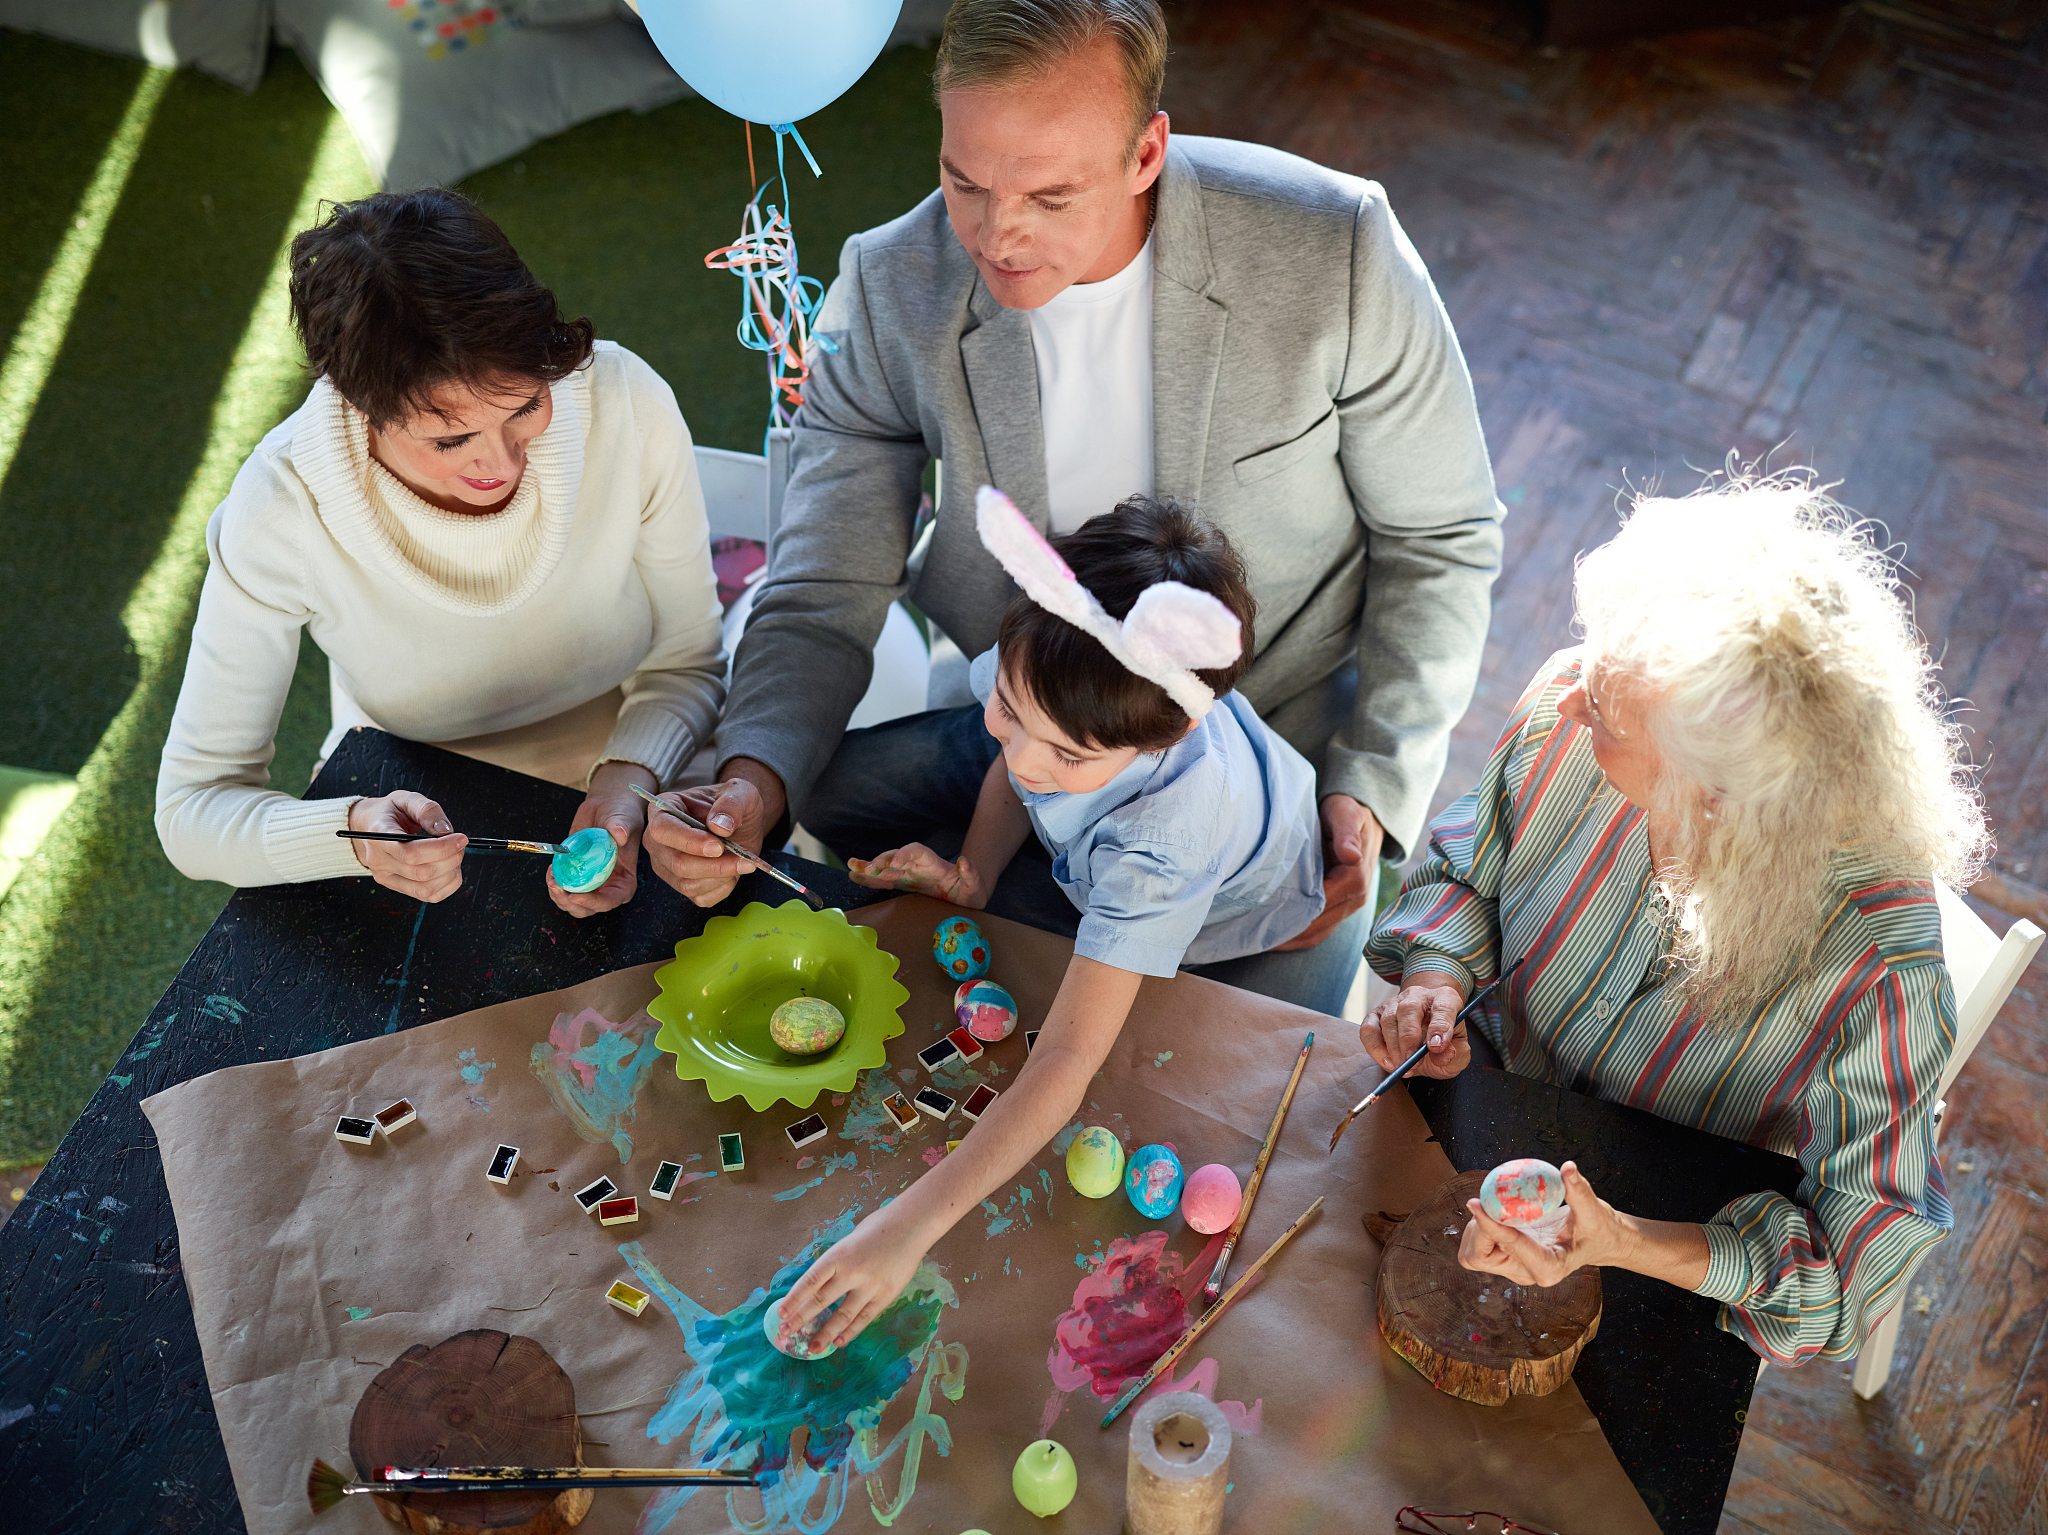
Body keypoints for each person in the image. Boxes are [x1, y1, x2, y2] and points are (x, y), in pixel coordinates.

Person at [648, 0, 1504, 1018]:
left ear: (1147, 153)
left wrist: (1368, 787)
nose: (996, 233)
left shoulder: (1336, 246)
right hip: (1026, 730)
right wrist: (749, 782)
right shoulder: (889, 283)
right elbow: (824, 581)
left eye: (1050, 195)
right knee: (826, 797)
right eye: (964, 181)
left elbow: (1440, 537)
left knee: (1239, 1050)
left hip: (1270, 763)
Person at [1359, 479, 1990, 1365]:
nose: (1569, 699)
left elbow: (1845, 1281)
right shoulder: (1578, 699)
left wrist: (1623, 1239)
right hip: (1483, 1119)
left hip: (1673, 1248)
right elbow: (1469, 866)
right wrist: (1436, 974)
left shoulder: (1881, 974)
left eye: (1605, 716)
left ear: (1715, 800)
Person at [774, 489, 1322, 1350]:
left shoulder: (1165, 845)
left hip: (1244, 895)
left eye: (1066, 752)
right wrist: (972, 874)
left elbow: (1066, 1057)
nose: (1025, 760)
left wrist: (905, 1227)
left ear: (1162, 735)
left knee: (1081, 999)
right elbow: (1020, 766)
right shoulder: (1047, 668)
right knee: (831, 789)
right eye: (1008, 710)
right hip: (1103, 786)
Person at [156, 189, 724, 914]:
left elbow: (688, 664)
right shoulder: (282, 506)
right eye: (451, 439)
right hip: (411, 794)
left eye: (526, 406)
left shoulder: (624, 402)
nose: (502, 463)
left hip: (646, 753)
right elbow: (194, 808)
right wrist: (355, 834)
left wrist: (627, 785)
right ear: (359, 406)